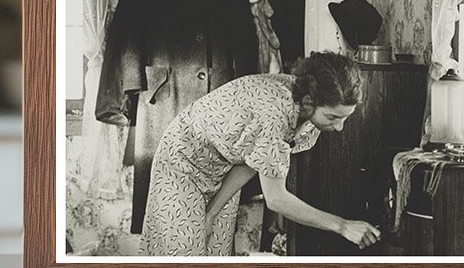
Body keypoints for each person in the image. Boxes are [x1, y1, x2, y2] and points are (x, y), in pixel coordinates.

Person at [138, 51, 382, 256]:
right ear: (309, 102)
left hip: (223, 166)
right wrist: (342, 225)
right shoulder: (274, 114)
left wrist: (211, 211)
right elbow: (276, 199)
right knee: (182, 259)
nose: (339, 128)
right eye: (332, 117)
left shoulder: (304, 104)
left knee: (215, 254)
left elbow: (251, 159)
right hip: (182, 161)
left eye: (344, 119)